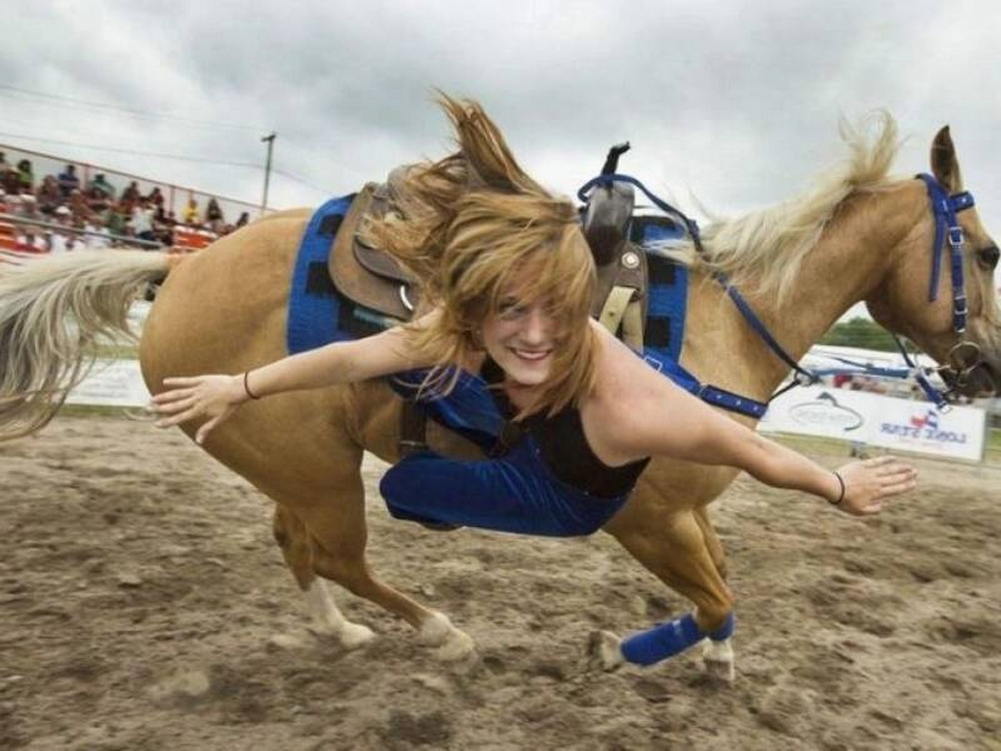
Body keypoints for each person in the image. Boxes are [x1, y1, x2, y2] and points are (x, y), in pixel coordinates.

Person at [152, 97, 916, 538]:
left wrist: (836, 485)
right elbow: (354, 356)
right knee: (410, 362)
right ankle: (491, 414)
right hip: (526, 415)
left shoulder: (629, 405)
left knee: (404, 486)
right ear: (481, 307)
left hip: (559, 491)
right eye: (508, 309)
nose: (533, 333)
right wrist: (239, 386)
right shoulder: (466, 331)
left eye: (554, 309)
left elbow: (750, 450)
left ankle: (480, 450)